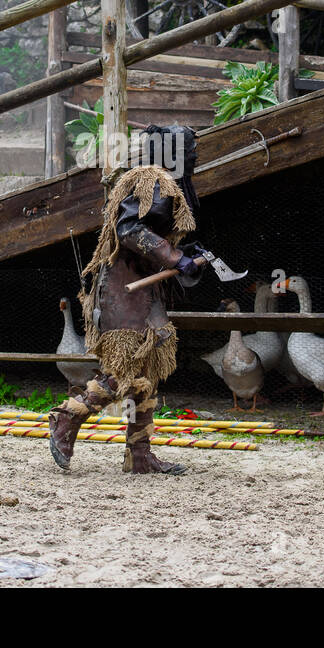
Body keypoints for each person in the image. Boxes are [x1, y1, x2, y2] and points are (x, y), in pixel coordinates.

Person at [48, 125, 208, 475]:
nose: (196, 154)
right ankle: (66, 418)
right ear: (173, 151)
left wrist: (185, 255)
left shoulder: (164, 182)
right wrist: (172, 257)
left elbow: (148, 233)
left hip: (145, 289)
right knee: (121, 371)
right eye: (190, 148)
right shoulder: (148, 180)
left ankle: (139, 453)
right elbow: (129, 230)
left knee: (148, 367)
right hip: (124, 290)